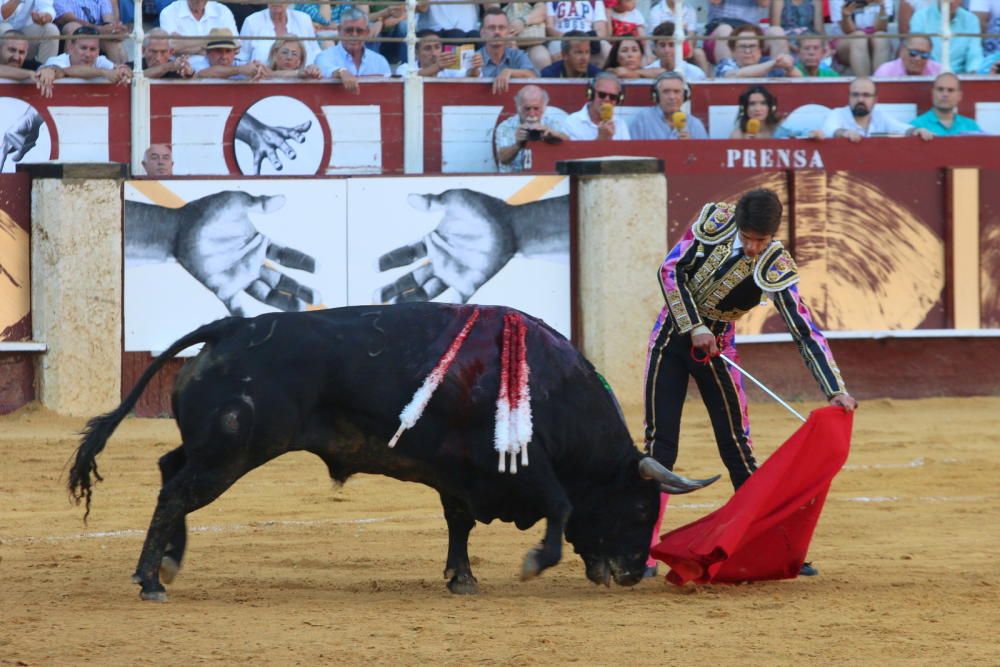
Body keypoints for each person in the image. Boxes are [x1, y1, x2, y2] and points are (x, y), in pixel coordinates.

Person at [642, 189, 858, 577]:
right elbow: (669, 271)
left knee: (738, 448)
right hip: (670, 338)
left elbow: (804, 331)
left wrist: (834, 388)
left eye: (762, 240)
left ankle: (767, 547)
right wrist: (693, 326)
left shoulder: (775, 264)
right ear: (737, 224)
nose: (754, 247)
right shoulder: (714, 222)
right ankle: (641, 550)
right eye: (748, 238)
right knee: (660, 447)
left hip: (718, 347)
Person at [820, 76, 934, 141]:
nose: (860, 100)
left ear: (875, 100)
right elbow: (829, 130)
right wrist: (845, 133)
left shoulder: (879, 115)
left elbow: (900, 128)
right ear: (849, 97)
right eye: (855, 95)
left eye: (866, 95)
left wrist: (916, 130)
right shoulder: (838, 113)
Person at [493, 84, 569, 173]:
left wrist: (552, 135)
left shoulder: (552, 124)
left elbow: (571, 146)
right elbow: (502, 159)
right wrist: (518, 145)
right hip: (512, 180)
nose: (532, 114)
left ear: (544, 108)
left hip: (545, 178)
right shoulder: (506, 126)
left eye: (536, 108)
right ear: (518, 107)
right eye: (527, 109)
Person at [315, 7, 390, 92]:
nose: (354, 35)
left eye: (359, 31)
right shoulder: (324, 56)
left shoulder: (380, 61)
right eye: (349, 30)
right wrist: (341, 72)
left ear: (367, 32)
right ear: (339, 30)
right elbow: (324, 68)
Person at [159, 0, 238, 73]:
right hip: (183, 75)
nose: (200, 1)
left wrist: (185, 44)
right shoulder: (169, 12)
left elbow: (236, 44)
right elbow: (172, 47)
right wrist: (212, 42)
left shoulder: (222, 11)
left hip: (222, 72)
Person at [703, 0, 788, 64]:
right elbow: (715, 1)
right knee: (725, 30)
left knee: (777, 32)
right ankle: (727, 75)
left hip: (751, 30)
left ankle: (779, 77)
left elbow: (764, 3)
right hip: (720, 26)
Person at [629, 71, 708, 140]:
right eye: (666, 92)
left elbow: (704, 155)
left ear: (685, 96)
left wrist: (691, 146)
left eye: (676, 92)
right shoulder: (643, 120)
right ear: (656, 96)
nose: (672, 97)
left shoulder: (694, 124)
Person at [910, 0, 983, 73]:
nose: (950, 1)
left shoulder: (971, 20)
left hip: (961, 77)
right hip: (928, 76)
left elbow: (974, 54)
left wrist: (973, 75)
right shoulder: (920, 17)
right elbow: (917, 51)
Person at [41, 25, 131, 83]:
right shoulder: (55, 61)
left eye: (93, 49)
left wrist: (123, 71)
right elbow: (63, 71)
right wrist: (103, 72)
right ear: (70, 47)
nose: (88, 54)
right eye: (83, 48)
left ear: (98, 51)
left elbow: (119, 70)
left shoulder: (100, 61)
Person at [237, 3, 319, 67]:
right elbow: (240, 61)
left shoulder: (304, 20)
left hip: (302, 84)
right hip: (263, 84)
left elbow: (317, 56)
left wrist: (314, 68)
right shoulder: (252, 21)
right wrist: (251, 68)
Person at [476, 7, 536, 94]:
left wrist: (509, 71)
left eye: (501, 28)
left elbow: (533, 76)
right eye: (491, 28)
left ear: (508, 32)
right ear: (482, 33)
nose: (497, 32)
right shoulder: (474, 58)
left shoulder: (517, 55)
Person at [829, 0, 893, 76]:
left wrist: (882, 7)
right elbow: (849, 31)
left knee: (880, 37)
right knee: (859, 37)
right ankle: (864, 84)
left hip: (874, 37)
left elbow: (881, 28)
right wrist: (845, 15)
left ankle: (880, 83)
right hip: (846, 41)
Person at [53, 0, 127, 64]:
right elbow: (68, 19)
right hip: (73, 32)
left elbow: (109, 21)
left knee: (114, 43)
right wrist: (99, 29)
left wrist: (114, 29)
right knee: (73, 27)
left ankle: (123, 76)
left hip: (98, 34)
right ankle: (70, 73)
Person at [910, 73, 984, 136]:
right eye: (940, 89)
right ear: (932, 93)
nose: (945, 94)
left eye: (950, 90)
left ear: (959, 96)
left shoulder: (971, 126)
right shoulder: (916, 126)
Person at [715, 24, 801, 78]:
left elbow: (799, 78)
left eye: (752, 46)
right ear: (733, 50)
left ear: (760, 49)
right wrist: (774, 63)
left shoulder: (768, 61)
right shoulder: (725, 64)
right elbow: (735, 75)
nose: (748, 51)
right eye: (742, 46)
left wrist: (790, 68)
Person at [564, 71, 630, 140]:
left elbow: (627, 150)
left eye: (612, 97)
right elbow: (574, 150)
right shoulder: (572, 122)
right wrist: (601, 139)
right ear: (591, 94)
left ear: (618, 100)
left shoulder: (620, 124)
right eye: (602, 94)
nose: (607, 99)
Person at [545, 0, 609, 67]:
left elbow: (601, 31)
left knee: (606, 48)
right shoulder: (552, 2)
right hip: (560, 38)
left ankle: (600, 76)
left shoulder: (595, 1)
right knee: (558, 48)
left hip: (588, 38)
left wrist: (583, 39)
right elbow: (549, 28)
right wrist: (569, 38)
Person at [394, 29, 482, 77]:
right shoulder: (404, 68)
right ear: (416, 53)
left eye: (437, 47)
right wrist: (437, 67)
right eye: (427, 48)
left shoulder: (450, 67)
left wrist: (474, 68)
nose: (434, 53)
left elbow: (468, 75)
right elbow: (411, 78)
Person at [193, 27, 269, 80]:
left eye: (228, 51)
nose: (224, 56)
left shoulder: (242, 65)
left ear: (234, 52)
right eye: (218, 51)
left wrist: (259, 70)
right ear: (207, 52)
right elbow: (206, 73)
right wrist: (240, 70)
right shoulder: (196, 66)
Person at [0, 31, 54, 95]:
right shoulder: (29, 71)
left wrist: (50, 71)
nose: (16, 57)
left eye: (21, 52)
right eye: (12, 50)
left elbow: (57, 70)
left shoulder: (30, 65)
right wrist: (28, 73)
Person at [503, 1, 550, 71]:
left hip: (533, 40)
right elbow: (492, 14)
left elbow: (542, 11)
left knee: (541, 57)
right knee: (510, 53)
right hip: (506, 39)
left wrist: (523, 21)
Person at [872, 34, 942, 77]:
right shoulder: (885, 72)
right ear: (902, 51)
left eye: (924, 54)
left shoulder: (939, 71)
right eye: (913, 53)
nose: (918, 58)